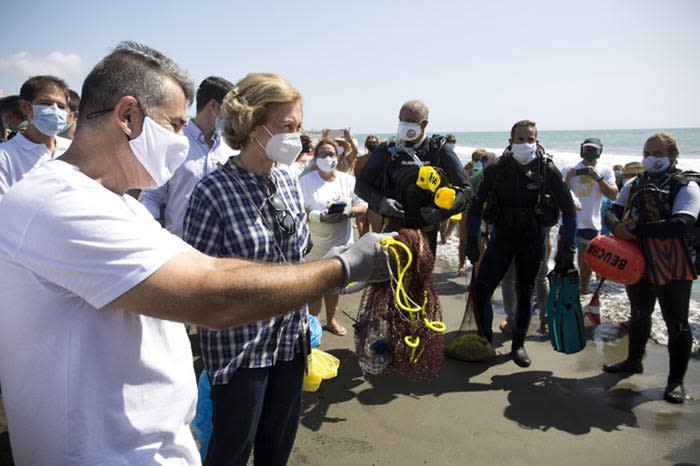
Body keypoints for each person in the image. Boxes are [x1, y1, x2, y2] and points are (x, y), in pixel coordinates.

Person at [0, 42, 389, 466]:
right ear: (128, 116)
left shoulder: (122, 205)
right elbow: (211, 295)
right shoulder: (56, 204)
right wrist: (341, 268)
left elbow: (206, 267)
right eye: (174, 124)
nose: (184, 141)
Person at [465, 120, 577, 367]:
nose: (525, 143)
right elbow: (475, 206)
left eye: (530, 138)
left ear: (537, 140)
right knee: (482, 289)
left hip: (532, 240)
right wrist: (470, 241)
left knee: (525, 293)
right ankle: (486, 339)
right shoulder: (496, 169)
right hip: (501, 238)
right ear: (510, 141)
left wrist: (568, 246)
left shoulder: (547, 170)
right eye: (520, 139)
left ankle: (518, 345)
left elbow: (569, 210)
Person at [602, 132, 699, 404]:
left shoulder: (686, 186)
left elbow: (682, 223)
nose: (651, 158)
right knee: (639, 313)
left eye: (657, 153)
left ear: (672, 156)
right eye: (647, 152)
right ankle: (633, 361)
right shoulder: (634, 183)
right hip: (638, 261)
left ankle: (675, 382)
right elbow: (612, 211)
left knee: (676, 321)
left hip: (674, 263)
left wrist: (636, 230)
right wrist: (617, 228)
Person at [355, 100, 471, 255]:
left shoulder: (438, 151)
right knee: (390, 277)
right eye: (400, 120)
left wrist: (442, 213)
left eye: (408, 121)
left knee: (421, 277)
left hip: (426, 232)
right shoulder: (386, 150)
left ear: (423, 124)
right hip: (392, 230)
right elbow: (361, 185)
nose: (402, 125)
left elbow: (466, 191)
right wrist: (381, 201)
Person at [139, 76, 236, 238]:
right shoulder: (174, 143)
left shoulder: (230, 149)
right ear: (214, 106)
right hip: (180, 248)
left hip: (221, 252)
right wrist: (153, 234)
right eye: (230, 112)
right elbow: (151, 197)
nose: (233, 119)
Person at [300, 138, 368, 336]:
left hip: (341, 243)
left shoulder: (348, 180)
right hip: (315, 244)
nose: (327, 158)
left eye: (331, 154)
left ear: (338, 157)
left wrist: (349, 212)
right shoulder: (305, 181)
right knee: (315, 287)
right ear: (315, 157)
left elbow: (363, 204)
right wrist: (318, 216)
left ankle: (330, 320)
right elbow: (296, 212)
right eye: (323, 154)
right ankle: (313, 324)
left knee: (335, 286)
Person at [0, 75, 72, 199]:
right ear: (25, 107)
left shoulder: (72, 149)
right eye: (46, 103)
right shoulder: (4, 157)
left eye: (61, 106)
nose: (54, 111)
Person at [562, 137, 618, 294]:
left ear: (599, 152)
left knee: (586, 259)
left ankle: (583, 290)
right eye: (587, 149)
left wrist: (598, 178)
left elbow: (614, 195)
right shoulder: (568, 168)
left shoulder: (605, 171)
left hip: (591, 221)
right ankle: (562, 288)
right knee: (563, 255)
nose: (589, 153)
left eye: (593, 150)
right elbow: (559, 192)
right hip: (569, 220)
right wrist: (568, 179)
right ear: (581, 150)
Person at [354, 134, 380, 235]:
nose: (372, 144)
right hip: (363, 197)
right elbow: (356, 178)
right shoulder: (360, 160)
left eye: (374, 142)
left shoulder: (383, 160)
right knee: (362, 232)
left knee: (376, 233)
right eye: (369, 143)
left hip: (376, 198)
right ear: (365, 145)